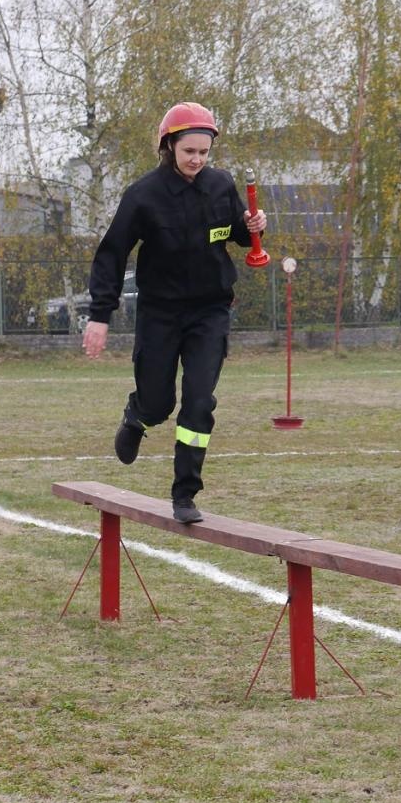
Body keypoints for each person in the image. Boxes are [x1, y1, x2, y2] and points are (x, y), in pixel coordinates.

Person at [81, 102, 267, 524]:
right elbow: (111, 255)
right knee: (159, 402)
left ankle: (185, 493)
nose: (197, 160)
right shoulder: (143, 196)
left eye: (204, 152)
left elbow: (237, 233)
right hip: (160, 314)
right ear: (169, 147)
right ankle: (138, 416)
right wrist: (99, 315)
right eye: (189, 152)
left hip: (210, 311)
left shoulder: (221, 185)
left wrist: (254, 226)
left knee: (199, 402)